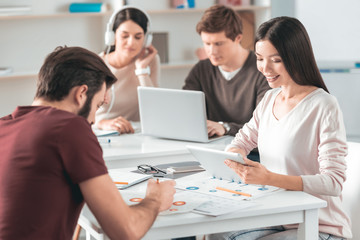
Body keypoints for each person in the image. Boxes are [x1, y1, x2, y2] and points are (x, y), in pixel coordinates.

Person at [0, 46, 176, 240]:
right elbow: (127, 231)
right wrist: (155, 199)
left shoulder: (4, 125)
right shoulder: (69, 126)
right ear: (81, 93)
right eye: (98, 105)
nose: (92, 120)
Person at [209, 17, 352, 239]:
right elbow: (241, 141)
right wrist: (235, 158)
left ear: (296, 57)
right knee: (215, 232)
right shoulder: (270, 98)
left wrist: (269, 178)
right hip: (277, 216)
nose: (264, 68)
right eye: (259, 58)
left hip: (319, 225)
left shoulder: (324, 105)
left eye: (275, 60)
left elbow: (333, 182)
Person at [183, 4, 270, 139]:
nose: (212, 51)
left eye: (219, 44)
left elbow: (264, 127)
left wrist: (225, 127)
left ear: (238, 38)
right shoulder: (201, 70)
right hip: (210, 147)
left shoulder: (263, 71)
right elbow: (184, 110)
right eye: (207, 43)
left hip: (248, 151)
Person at [95, 6, 160, 134]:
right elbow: (82, 111)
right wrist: (102, 123)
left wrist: (141, 70)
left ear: (146, 40)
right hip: (103, 131)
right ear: (112, 37)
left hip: (136, 133)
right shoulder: (96, 63)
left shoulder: (151, 61)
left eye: (138, 37)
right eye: (125, 36)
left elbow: (155, 107)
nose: (131, 43)